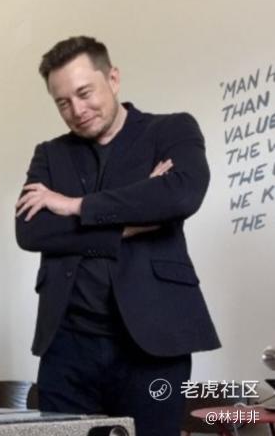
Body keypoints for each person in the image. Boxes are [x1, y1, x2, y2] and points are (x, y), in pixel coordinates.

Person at [14, 36, 220, 436]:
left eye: (84, 93)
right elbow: (31, 230)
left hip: (153, 344)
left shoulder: (171, 129)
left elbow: (180, 194)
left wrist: (74, 205)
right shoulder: (49, 154)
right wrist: (130, 220)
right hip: (67, 346)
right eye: (62, 102)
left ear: (113, 78)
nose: (77, 110)